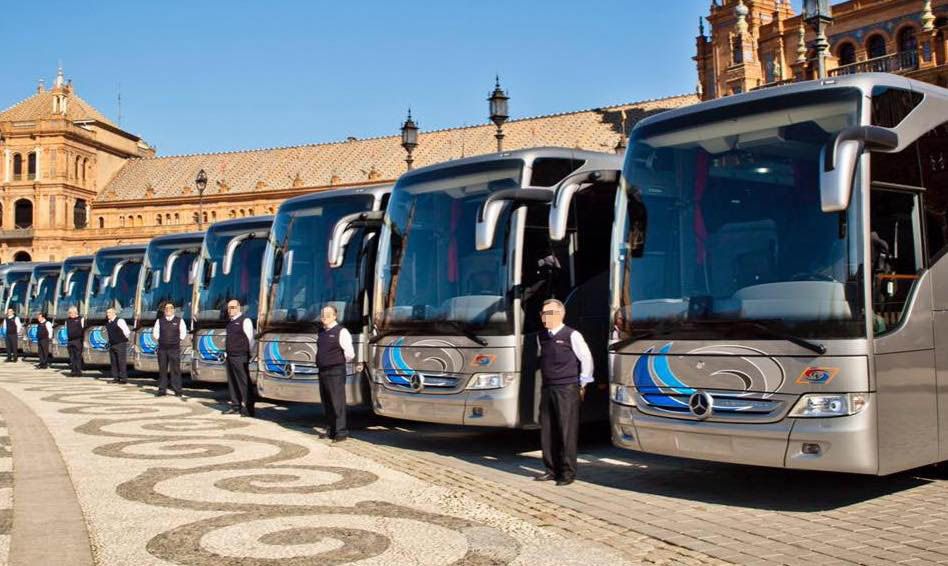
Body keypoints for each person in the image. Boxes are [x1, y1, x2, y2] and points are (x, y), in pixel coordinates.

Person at [534, 298, 593, 487]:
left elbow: (586, 359)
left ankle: (567, 473)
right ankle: (551, 469)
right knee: (548, 429)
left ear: (561, 314)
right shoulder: (541, 336)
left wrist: (583, 382)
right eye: (543, 313)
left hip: (567, 388)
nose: (545, 317)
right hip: (548, 387)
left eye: (549, 313)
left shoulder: (572, 335)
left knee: (566, 430)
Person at [316, 304, 355, 442]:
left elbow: (350, 354)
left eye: (327, 315)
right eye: (322, 315)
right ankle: (330, 430)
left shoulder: (341, 331)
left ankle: (341, 432)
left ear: (334, 316)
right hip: (322, 371)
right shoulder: (321, 331)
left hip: (335, 371)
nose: (324, 318)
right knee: (327, 402)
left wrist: (337, 362)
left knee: (337, 402)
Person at [223, 299, 255, 416]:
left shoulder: (245, 321)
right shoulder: (230, 322)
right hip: (230, 356)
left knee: (244, 382)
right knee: (232, 383)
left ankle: (249, 408)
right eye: (228, 308)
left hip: (241, 357)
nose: (230, 310)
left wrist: (248, 353)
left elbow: (250, 340)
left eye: (232, 307)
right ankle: (235, 406)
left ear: (239, 308)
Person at [152, 302, 187, 399]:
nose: (168, 310)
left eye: (170, 308)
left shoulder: (179, 320)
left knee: (175, 370)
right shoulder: (159, 321)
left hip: (174, 349)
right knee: (162, 369)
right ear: (164, 311)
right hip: (162, 349)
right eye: (166, 308)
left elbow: (183, 333)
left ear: (173, 310)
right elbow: (155, 333)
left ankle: (177, 390)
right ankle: (162, 389)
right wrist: (161, 340)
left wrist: (177, 340)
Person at [105, 307, 131, 383]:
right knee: (113, 361)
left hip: (120, 344)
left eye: (109, 313)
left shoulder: (120, 321)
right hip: (112, 344)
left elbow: (127, 332)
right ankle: (115, 377)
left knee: (121, 361)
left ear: (114, 313)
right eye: (107, 313)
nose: (107, 314)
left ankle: (123, 378)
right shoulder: (108, 322)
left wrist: (121, 339)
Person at [65, 306, 85, 376]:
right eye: (69, 313)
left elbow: (83, 330)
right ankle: (73, 371)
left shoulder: (81, 319)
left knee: (78, 356)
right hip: (70, 341)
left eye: (71, 313)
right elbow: (66, 329)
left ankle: (78, 371)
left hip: (78, 340)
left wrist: (83, 340)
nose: (70, 314)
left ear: (75, 312)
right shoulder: (67, 320)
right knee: (72, 357)